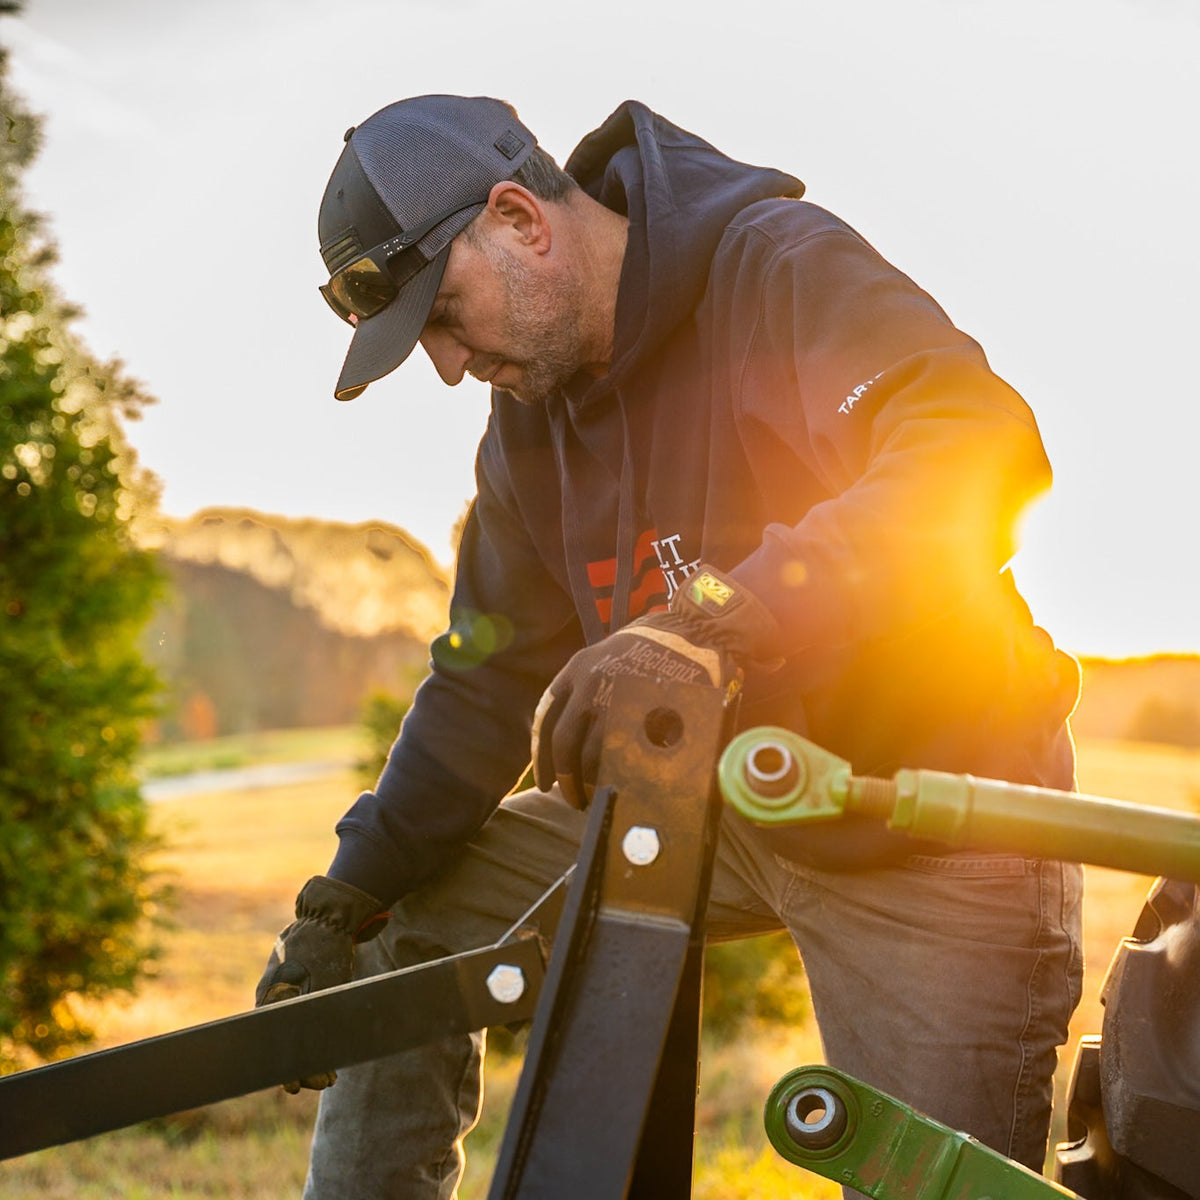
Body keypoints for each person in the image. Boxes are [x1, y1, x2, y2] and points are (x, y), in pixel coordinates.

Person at [256, 94, 1084, 1199]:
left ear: (520, 218)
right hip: (710, 813)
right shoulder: (530, 425)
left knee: (929, 1184)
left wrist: (714, 620)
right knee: (409, 918)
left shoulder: (773, 270)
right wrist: (343, 898)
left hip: (922, 816)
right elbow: (484, 678)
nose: (450, 366)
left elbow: (977, 448)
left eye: (446, 315)